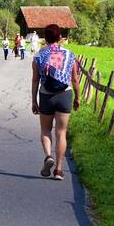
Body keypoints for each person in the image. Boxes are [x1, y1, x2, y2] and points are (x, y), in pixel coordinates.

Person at [31, 23, 80, 181]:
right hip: (64, 95)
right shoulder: (70, 54)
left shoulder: (39, 56)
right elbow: (75, 79)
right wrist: (78, 97)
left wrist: (34, 100)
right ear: (60, 37)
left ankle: (48, 156)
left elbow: (35, 80)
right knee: (61, 133)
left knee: (45, 130)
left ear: (45, 38)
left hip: (46, 95)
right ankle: (58, 170)